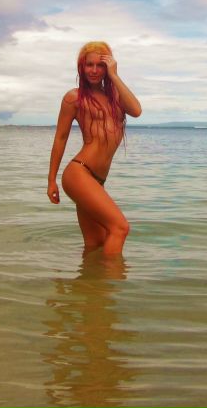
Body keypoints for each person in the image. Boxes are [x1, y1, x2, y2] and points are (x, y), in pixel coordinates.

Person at [47, 41, 142, 255]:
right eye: (89, 65)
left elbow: (136, 110)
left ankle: (90, 276)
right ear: (82, 67)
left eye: (100, 65)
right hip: (80, 173)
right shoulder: (74, 98)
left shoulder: (116, 97)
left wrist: (114, 76)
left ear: (108, 67)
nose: (94, 70)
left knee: (95, 243)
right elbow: (61, 138)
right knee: (120, 228)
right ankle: (114, 275)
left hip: (97, 180)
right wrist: (51, 180)